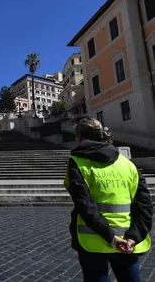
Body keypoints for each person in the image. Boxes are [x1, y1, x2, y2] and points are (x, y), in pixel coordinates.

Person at [64, 117, 153, 282]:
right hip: (127, 241)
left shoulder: (77, 162)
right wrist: (133, 237)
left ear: (79, 137)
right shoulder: (127, 164)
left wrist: (111, 237)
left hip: (92, 240)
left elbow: (85, 205)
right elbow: (145, 206)